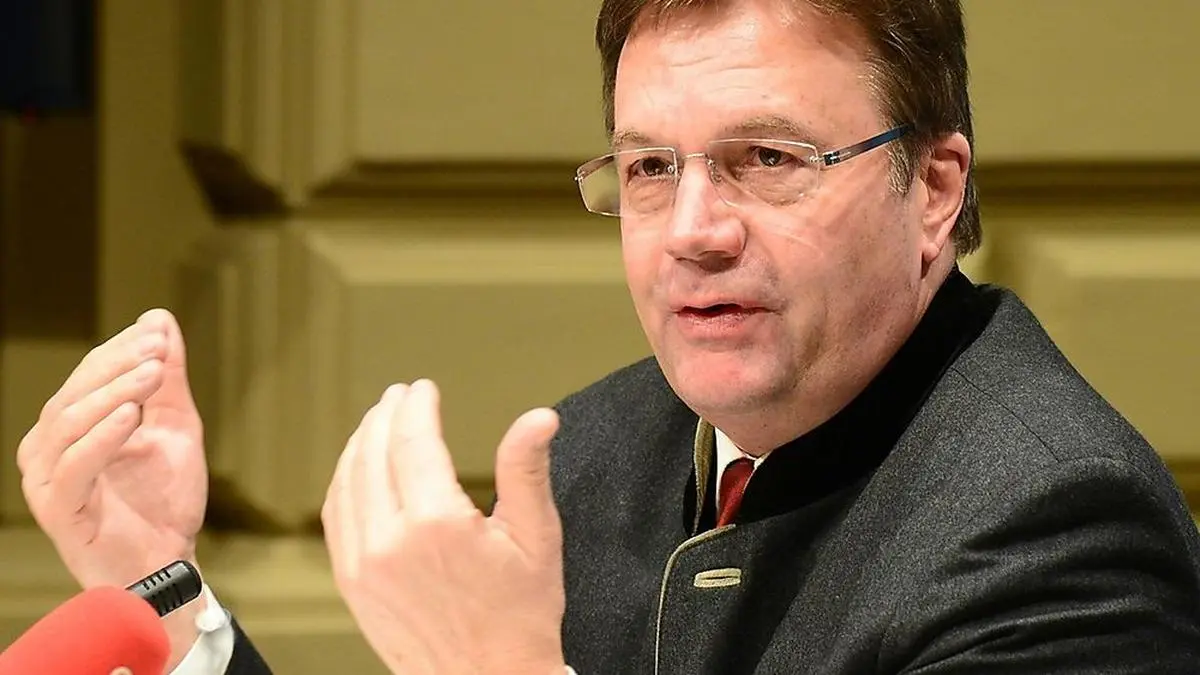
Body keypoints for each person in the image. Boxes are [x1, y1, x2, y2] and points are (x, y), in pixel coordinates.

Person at [14, 0, 1200, 672]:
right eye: (649, 169)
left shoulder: (1058, 526)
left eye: (767, 159)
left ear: (933, 189)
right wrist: (160, 592)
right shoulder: (597, 448)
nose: (692, 232)